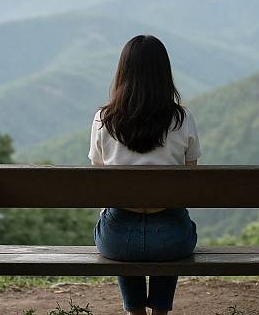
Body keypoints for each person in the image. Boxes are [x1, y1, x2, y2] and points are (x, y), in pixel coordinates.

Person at [89, 35, 200, 315]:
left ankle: (135, 310)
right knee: (176, 217)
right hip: (170, 239)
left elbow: (98, 178)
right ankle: (160, 311)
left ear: (122, 72)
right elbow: (190, 181)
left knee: (115, 217)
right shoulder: (182, 119)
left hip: (118, 240)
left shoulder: (104, 119)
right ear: (165, 74)